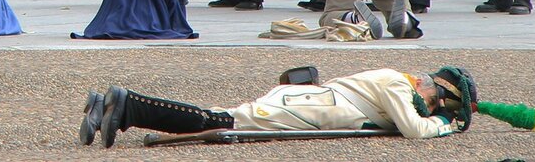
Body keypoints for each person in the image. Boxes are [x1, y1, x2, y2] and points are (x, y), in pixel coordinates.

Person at [80, 66, 484, 148]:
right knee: (219, 121)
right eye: (437, 105)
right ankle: (128, 105)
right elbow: (414, 128)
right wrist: (447, 125)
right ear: (433, 93)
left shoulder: (399, 82)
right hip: (312, 107)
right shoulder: (399, 82)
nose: (432, 109)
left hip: (314, 104)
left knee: (219, 117)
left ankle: (112, 108)